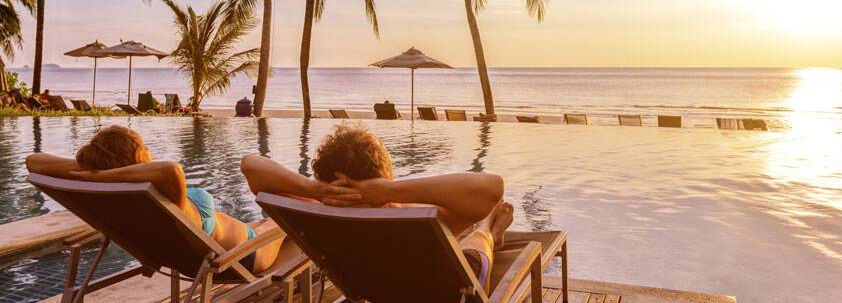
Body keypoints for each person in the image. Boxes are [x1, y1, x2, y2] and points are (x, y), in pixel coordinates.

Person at [241, 123, 511, 285]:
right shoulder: (418, 217)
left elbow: (250, 166)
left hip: (367, 287)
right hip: (448, 292)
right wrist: (391, 191)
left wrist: (313, 189)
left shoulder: (315, 212)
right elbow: (491, 189)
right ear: (384, 175)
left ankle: (487, 228)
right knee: (476, 241)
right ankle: (489, 229)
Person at [26, 125, 292, 271]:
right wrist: (99, 174)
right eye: (142, 144)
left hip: (192, 254)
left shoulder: (124, 196)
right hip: (245, 256)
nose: (149, 149)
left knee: (271, 217)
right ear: (137, 156)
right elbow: (171, 169)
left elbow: (34, 162)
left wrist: (93, 172)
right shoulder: (164, 191)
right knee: (290, 220)